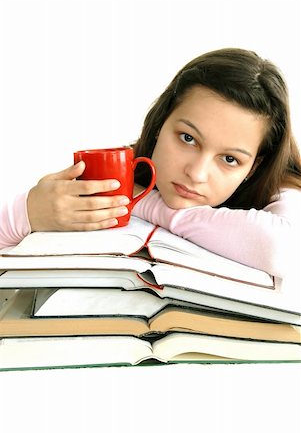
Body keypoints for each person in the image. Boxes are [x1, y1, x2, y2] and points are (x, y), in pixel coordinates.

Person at [1, 48, 300, 278]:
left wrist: (139, 203)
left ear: (255, 167)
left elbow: (282, 250)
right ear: (160, 124)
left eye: (230, 159)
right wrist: (27, 212)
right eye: (187, 138)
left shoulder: (284, 188)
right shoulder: (119, 169)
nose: (196, 173)